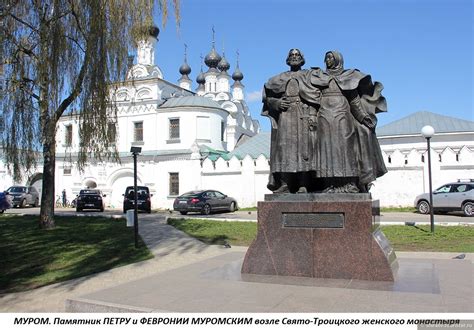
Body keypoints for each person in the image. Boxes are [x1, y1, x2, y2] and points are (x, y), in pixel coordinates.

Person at [309, 50, 386, 192]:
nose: (328, 60)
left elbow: (354, 101)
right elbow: (312, 98)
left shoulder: (348, 77)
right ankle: (329, 184)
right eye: (326, 58)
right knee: (326, 150)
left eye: (331, 57)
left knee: (346, 150)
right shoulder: (319, 77)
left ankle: (349, 184)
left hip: (343, 116)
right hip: (324, 117)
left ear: (338, 60)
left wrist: (363, 117)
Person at [262, 49, 320, 193]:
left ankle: (303, 184)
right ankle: (285, 184)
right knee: (284, 149)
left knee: (304, 149)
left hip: (303, 115)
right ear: (287, 60)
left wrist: (313, 115)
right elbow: (267, 98)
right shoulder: (279, 78)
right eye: (292, 55)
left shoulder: (308, 76)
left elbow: (317, 96)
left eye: (297, 55)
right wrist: (276, 103)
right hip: (286, 116)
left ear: (302, 59)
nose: (294, 57)